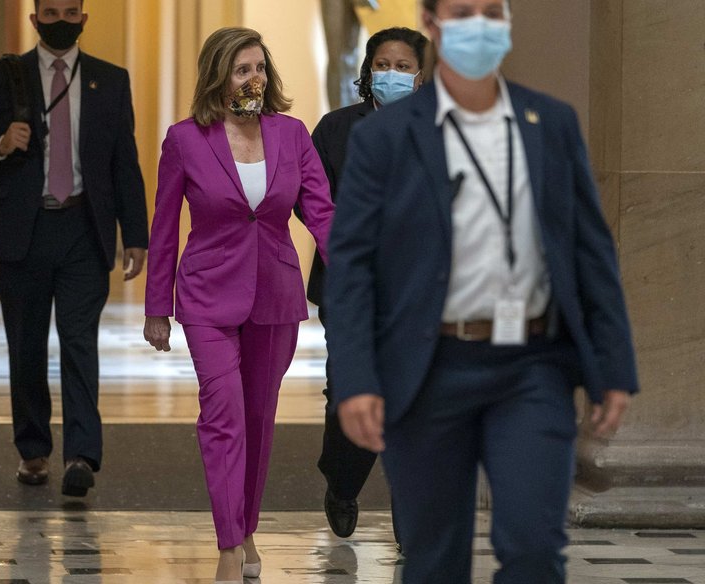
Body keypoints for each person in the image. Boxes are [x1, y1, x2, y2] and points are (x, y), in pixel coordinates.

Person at [326, 0, 638, 582]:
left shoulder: (550, 122)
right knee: (434, 557)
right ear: (433, 23)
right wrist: (357, 379)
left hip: (531, 366)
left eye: (492, 12)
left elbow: (590, 252)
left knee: (534, 548)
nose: (479, 24)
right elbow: (353, 269)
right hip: (427, 368)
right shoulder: (385, 138)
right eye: (463, 11)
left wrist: (613, 364)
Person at [144, 27, 334, 584]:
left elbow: (322, 213)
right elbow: (163, 231)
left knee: (259, 419)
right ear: (217, 78)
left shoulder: (293, 135)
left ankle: (247, 526)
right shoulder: (185, 139)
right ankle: (230, 545)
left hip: (275, 296)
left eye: (260, 68)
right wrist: (158, 306)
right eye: (241, 70)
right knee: (223, 416)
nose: (254, 79)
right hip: (206, 297)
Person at [0, 0, 147, 498]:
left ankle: (82, 454)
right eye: (51, 11)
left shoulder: (111, 81)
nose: (61, 20)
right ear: (35, 19)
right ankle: (34, 449)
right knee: (28, 343)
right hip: (22, 230)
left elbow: (125, 161)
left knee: (80, 342)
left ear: (84, 18)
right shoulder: (5, 77)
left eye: (70, 11)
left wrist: (137, 235)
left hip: (84, 228)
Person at [310, 26, 426, 541]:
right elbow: (310, 197)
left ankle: (412, 527)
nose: (393, 74)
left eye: (404, 66)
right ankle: (341, 482)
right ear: (367, 70)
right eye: (384, 64)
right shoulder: (335, 129)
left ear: (421, 76)